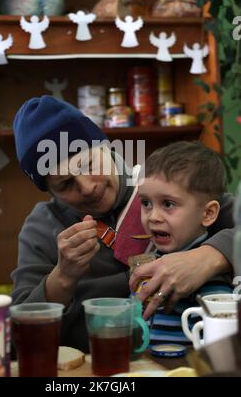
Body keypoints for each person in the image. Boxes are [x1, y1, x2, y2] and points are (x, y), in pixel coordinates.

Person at [12, 96, 234, 352]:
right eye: (65, 184)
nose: (87, 187)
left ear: (106, 146)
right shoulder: (42, 226)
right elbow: (20, 339)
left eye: (89, 165)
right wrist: (62, 278)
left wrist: (209, 257)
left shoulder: (165, 186)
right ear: (50, 192)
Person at [129, 141, 233, 344]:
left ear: (208, 213)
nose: (153, 217)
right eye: (146, 203)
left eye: (168, 204)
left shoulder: (213, 286)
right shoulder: (148, 263)